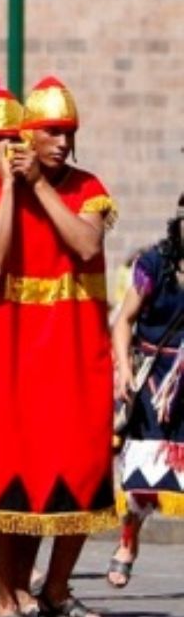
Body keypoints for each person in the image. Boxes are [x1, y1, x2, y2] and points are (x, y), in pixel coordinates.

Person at [0, 78, 117, 617]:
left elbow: (84, 245)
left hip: (76, 348)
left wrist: (44, 189)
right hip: (15, 349)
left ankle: (55, 588)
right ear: (28, 136)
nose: (60, 143)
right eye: (51, 133)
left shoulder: (89, 187)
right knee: (14, 471)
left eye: (67, 134)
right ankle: (6, 598)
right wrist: (12, 190)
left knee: (80, 465)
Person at [112, 196, 184, 585]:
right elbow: (124, 321)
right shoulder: (152, 266)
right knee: (144, 470)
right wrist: (123, 368)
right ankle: (128, 539)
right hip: (155, 379)